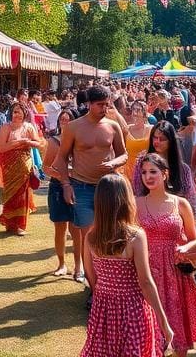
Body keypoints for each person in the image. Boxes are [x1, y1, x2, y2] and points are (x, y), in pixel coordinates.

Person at [80, 174, 173, 357]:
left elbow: (91, 276)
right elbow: (145, 282)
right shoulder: (135, 236)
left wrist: (105, 292)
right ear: (126, 199)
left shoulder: (91, 237)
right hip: (132, 310)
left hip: (103, 309)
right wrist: (164, 322)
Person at [136, 153, 196, 357]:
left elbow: (195, 238)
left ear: (165, 175)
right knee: (149, 329)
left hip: (175, 272)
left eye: (153, 172)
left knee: (178, 331)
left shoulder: (180, 203)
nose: (148, 177)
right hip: (147, 271)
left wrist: (186, 248)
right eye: (144, 172)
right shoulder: (136, 204)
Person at [53, 85, 127, 244]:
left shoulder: (113, 126)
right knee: (89, 235)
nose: (104, 108)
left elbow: (123, 154)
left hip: (107, 186)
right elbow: (62, 158)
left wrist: (113, 163)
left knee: (110, 232)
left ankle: (105, 267)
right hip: (82, 186)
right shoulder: (73, 127)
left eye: (107, 104)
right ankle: (89, 269)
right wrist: (66, 185)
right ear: (89, 104)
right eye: (100, 104)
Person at [41, 108, 83, 280]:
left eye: (68, 120)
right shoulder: (53, 141)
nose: (64, 123)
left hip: (78, 186)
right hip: (58, 187)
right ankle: (61, 264)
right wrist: (63, 176)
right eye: (62, 120)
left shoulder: (80, 141)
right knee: (60, 227)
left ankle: (78, 266)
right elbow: (45, 168)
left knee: (77, 229)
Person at [0, 99, 44, 235]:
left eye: (20, 112)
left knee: (22, 195)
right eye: (15, 112)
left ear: (25, 113)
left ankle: (19, 225)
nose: (17, 115)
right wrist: (20, 142)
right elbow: (2, 147)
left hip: (25, 166)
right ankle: (10, 223)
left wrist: (28, 141)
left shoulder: (28, 127)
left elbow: (39, 143)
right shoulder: (6, 127)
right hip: (9, 168)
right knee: (10, 194)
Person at [132, 121, 196, 214]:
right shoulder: (142, 163)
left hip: (175, 216)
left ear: (171, 141)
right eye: (155, 137)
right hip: (148, 214)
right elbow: (138, 192)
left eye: (162, 139)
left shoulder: (183, 169)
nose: (157, 141)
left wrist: (192, 220)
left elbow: (191, 200)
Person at [121, 100, 151, 184]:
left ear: (144, 112)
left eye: (138, 110)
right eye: (133, 109)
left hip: (144, 170)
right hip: (127, 171)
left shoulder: (151, 129)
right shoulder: (126, 129)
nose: (135, 113)